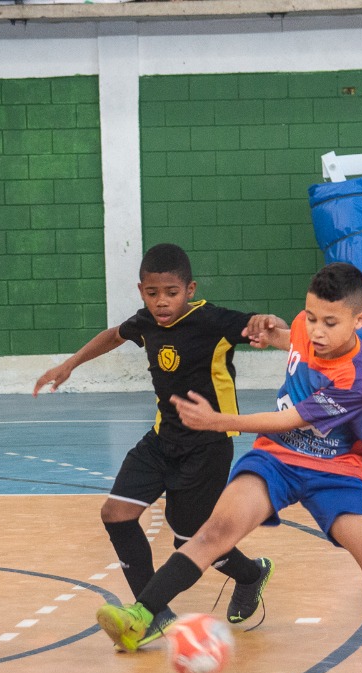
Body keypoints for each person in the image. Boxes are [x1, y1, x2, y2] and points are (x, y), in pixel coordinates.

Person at [93, 262, 362, 673]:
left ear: (359, 321)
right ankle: (141, 614)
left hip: (337, 470)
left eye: (331, 323)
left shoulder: (357, 376)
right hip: (278, 459)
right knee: (216, 531)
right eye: (313, 317)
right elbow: (294, 339)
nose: (317, 330)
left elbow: (289, 419)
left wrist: (217, 421)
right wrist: (269, 334)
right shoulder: (308, 326)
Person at [33, 243, 278, 650]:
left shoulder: (212, 320)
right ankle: (152, 616)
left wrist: (272, 324)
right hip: (162, 440)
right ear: (142, 291)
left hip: (208, 447)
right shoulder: (146, 321)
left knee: (190, 542)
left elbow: (265, 330)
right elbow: (114, 335)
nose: (161, 302)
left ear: (189, 289)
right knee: (116, 514)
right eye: (152, 293)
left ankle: (251, 574)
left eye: (171, 292)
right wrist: (69, 364)